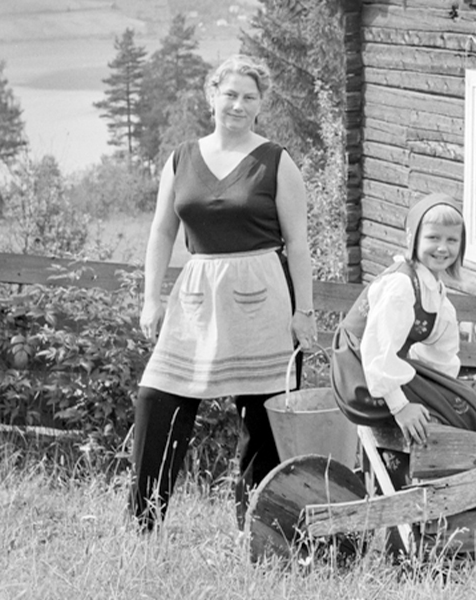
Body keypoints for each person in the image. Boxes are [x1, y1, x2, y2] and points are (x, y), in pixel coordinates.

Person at [130, 54, 318, 532]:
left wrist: (305, 312)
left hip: (263, 298)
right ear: (211, 95)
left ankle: (261, 533)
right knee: (157, 400)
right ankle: (143, 523)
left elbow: (297, 243)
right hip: (197, 298)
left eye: (248, 97)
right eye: (229, 94)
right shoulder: (181, 158)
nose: (237, 104)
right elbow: (160, 232)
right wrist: (151, 298)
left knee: (264, 422)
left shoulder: (276, 162)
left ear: (260, 105)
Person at [330, 193, 476, 492]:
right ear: (413, 239)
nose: (443, 248)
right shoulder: (402, 285)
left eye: (452, 240)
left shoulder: (437, 295)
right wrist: (402, 406)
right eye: (433, 238)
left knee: (462, 403)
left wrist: (441, 393)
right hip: (358, 372)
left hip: (379, 369)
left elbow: (441, 358)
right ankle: (443, 488)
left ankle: (451, 486)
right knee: (459, 408)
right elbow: (375, 348)